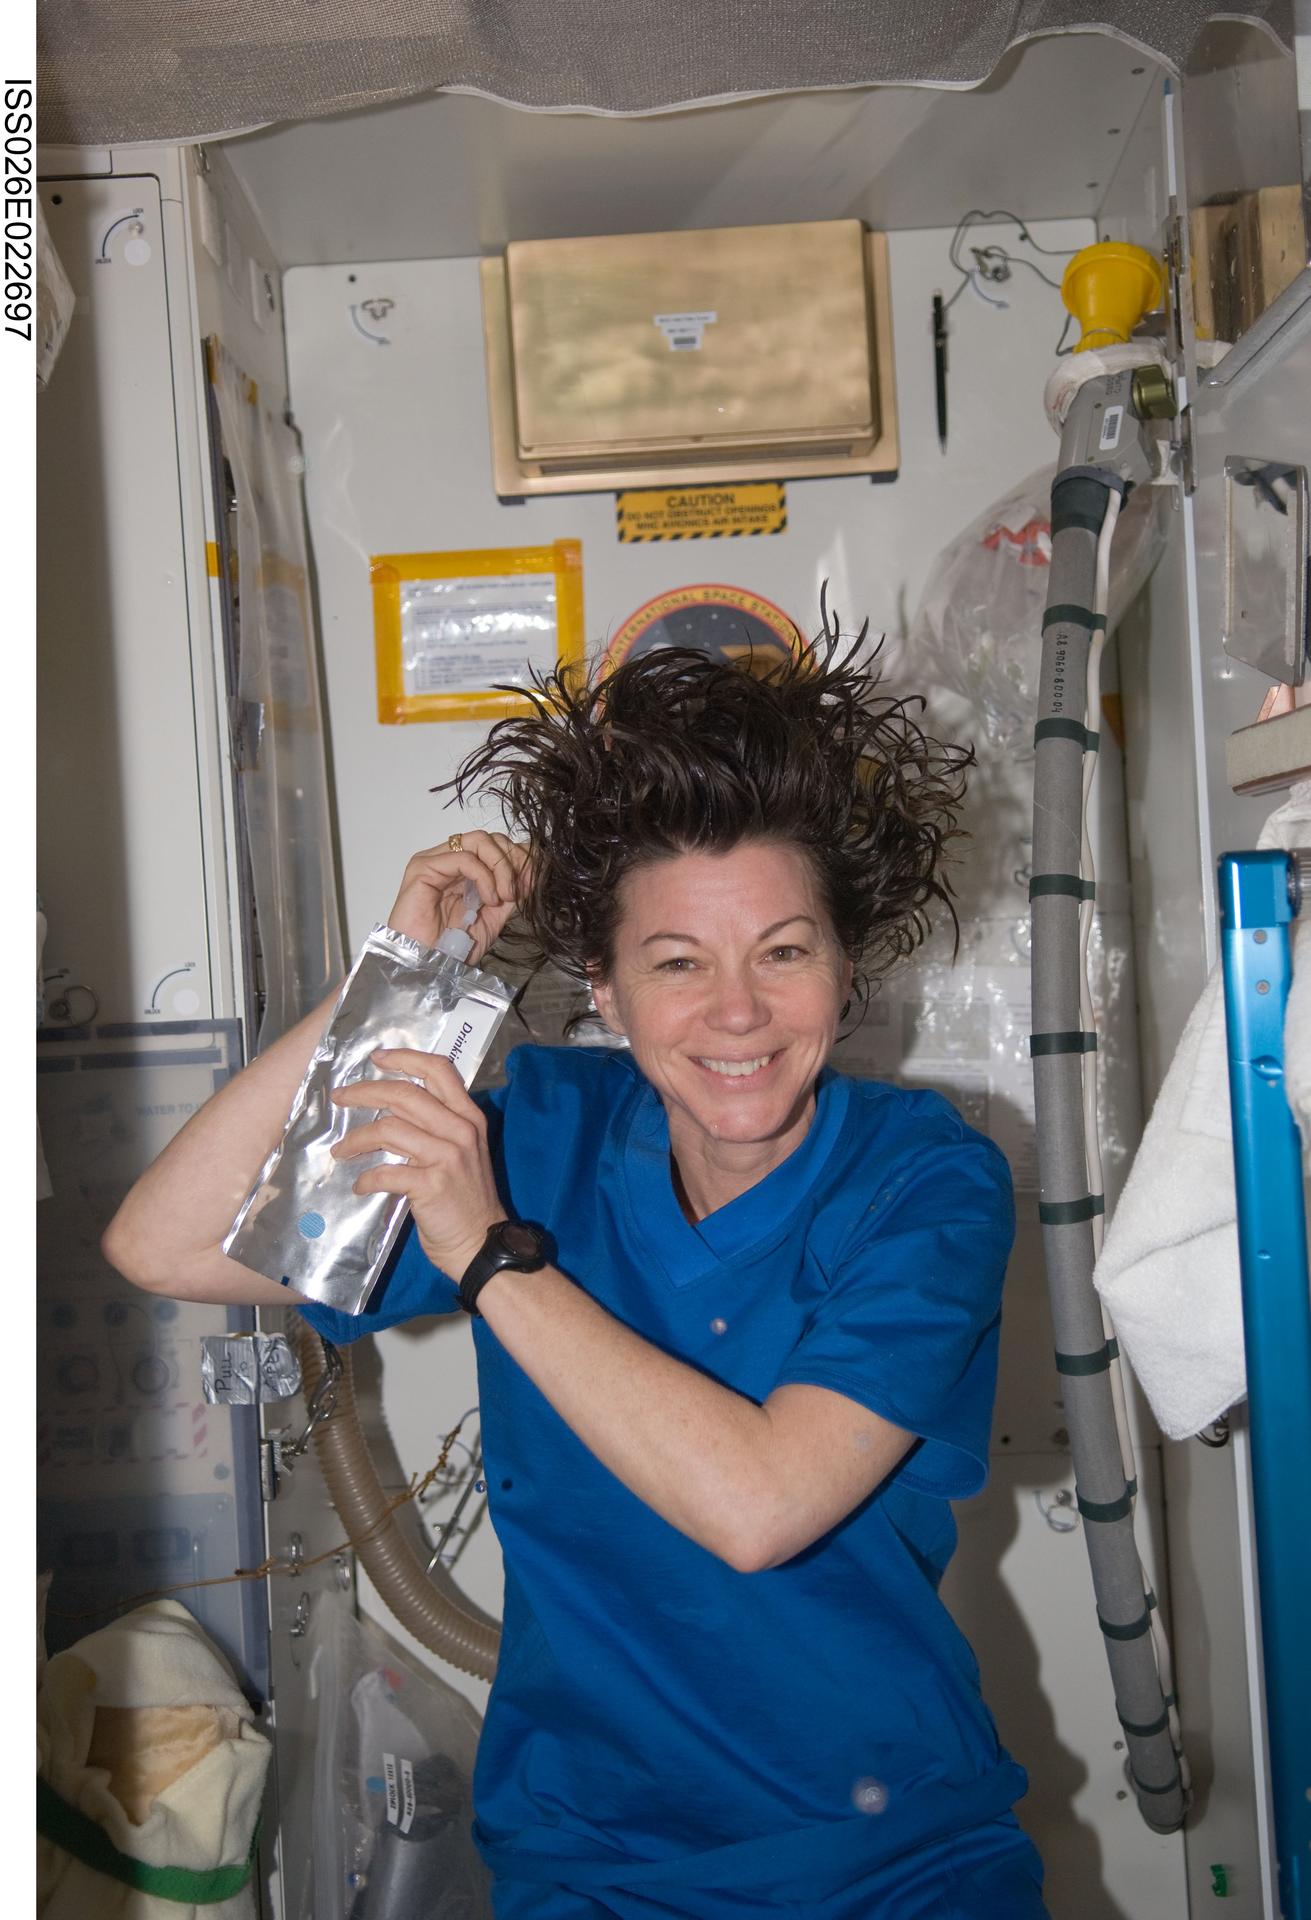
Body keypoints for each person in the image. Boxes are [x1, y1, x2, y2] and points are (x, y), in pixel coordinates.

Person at [104, 632, 1048, 1919]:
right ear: (603, 987)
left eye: (784, 951)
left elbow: (760, 1506)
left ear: (845, 968)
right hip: (594, 1864)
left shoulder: (926, 1182)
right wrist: (393, 981)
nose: (737, 1012)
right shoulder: (546, 1136)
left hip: (893, 1859)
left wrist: (487, 1255)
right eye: (677, 963)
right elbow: (166, 1243)